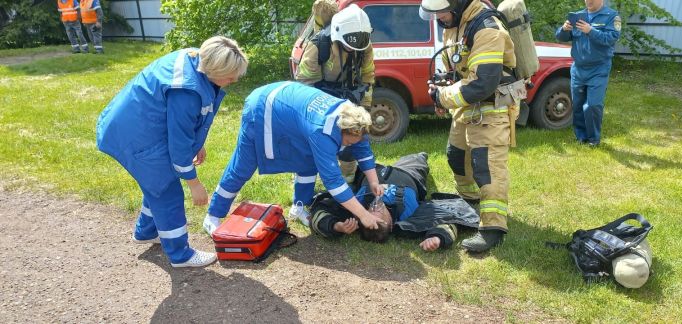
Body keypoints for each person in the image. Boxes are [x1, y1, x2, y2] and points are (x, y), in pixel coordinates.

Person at [96, 36, 248, 268]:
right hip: (136, 136)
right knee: (167, 190)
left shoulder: (200, 57)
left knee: (155, 184)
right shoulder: (186, 90)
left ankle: (146, 232)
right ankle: (180, 255)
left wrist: (197, 143)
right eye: (230, 75)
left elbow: (187, 125)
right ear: (214, 69)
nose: (234, 79)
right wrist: (193, 182)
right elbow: (178, 145)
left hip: (134, 125)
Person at [202, 81, 386, 234]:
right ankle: (213, 215)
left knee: (307, 162)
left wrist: (374, 181)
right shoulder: (322, 131)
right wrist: (363, 215)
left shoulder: (354, 121)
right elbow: (333, 181)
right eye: (347, 141)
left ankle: (299, 207)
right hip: (262, 108)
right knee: (244, 165)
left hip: (288, 108)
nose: (349, 146)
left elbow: (362, 147)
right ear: (342, 130)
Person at [419, 0, 516, 253]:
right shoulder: (454, 23)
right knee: (456, 156)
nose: (439, 17)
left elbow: (482, 83)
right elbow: (459, 69)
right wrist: (442, 85)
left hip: (491, 106)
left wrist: (442, 97)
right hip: (467, 106)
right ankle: (471, 200)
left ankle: (493, 227)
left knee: (487, 167)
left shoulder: (486, 27)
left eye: (441, 12)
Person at [310, 152, 480, 252]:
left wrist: (336, 226)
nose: (374, 209)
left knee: (350, 152)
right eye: (379, 217)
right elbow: (447, 219)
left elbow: (318, 212)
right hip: (408, 171)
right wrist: (438, 238)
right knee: (419, 156)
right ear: (391, 225)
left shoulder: (357, 210)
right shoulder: (408, 217)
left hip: (371, 170)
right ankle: (420, 156)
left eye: (369, 215)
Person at [295, 3, 376, 182]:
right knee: (318, 143)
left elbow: (368, 78)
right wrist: (319, 114)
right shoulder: (318, 46)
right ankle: (306, 178)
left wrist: (364, 108)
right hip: (321, 98)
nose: (354, 49)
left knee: (352, 141)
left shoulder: (364, 45)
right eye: (350, 44)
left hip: (350, 96)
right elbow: (305, 85)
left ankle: (347, 179)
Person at [556, 0, 621, 147]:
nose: (588, 1)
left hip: (599, 69)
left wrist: (590, 30)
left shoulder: (611, 16)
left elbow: (611, 38)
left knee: (593, 105)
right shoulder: (579, 15)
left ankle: (593, 139)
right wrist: (564, 29)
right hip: (578, 68)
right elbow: (561, 37)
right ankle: (581, 137)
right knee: (578, 105)